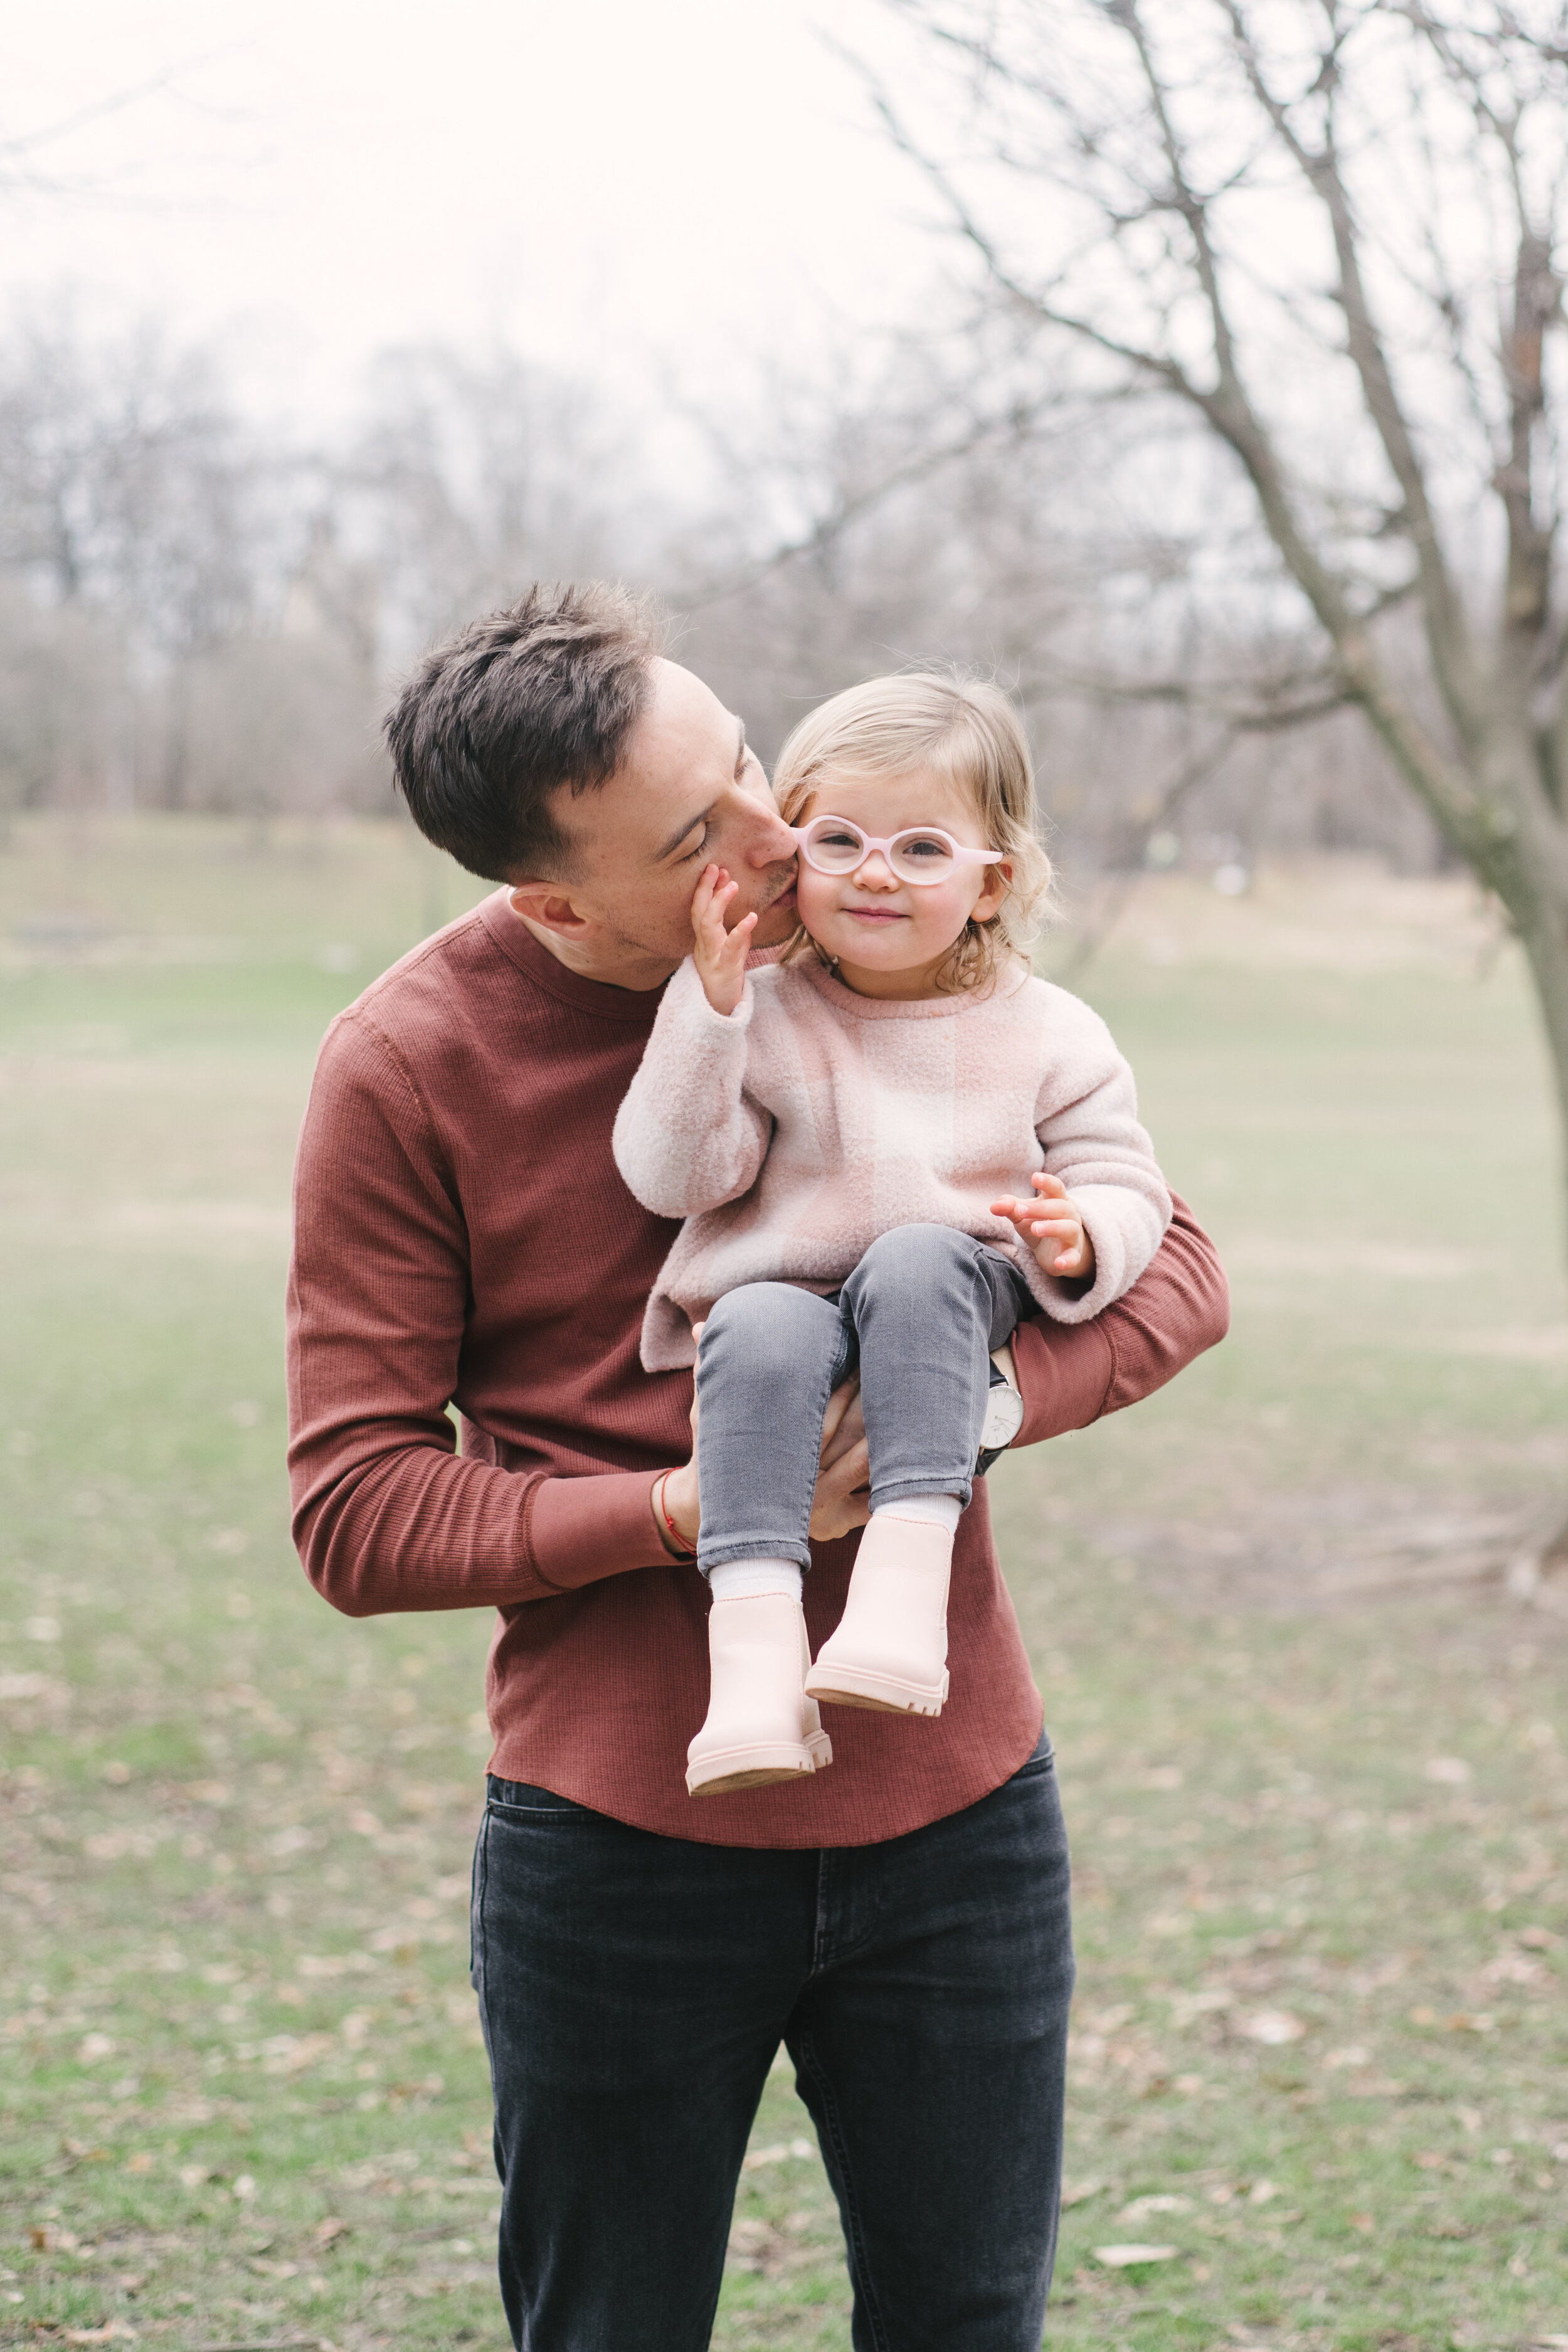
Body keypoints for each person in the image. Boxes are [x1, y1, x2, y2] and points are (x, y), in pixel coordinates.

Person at [286, 583, 1229, 2352]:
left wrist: (979, 1410)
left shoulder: (894, 939)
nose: (774, 834)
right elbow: (354, 1509)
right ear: (552, 895)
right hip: (620, 1837)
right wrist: (689, 1510)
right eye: (693, 830)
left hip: (955, 1807)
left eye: (742, 761)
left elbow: (1173, 1265)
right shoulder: (409, 1067)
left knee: (965, 2320)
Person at [612, 674, 1172, 1798]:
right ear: (795, 854)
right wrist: (709, 1005)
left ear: (989, 882)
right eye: (841, 839)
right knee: (757, 1319)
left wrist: (1081, 1233)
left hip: (950, 1287)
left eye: (922, 849)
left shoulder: (1047, 1027)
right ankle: (757, 1670)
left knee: (917, 1256)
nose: (876, 871)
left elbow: (1127, 1178)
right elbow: (677, 1179)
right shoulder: (762, 1008)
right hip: (786, 1316)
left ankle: (901, 1597)